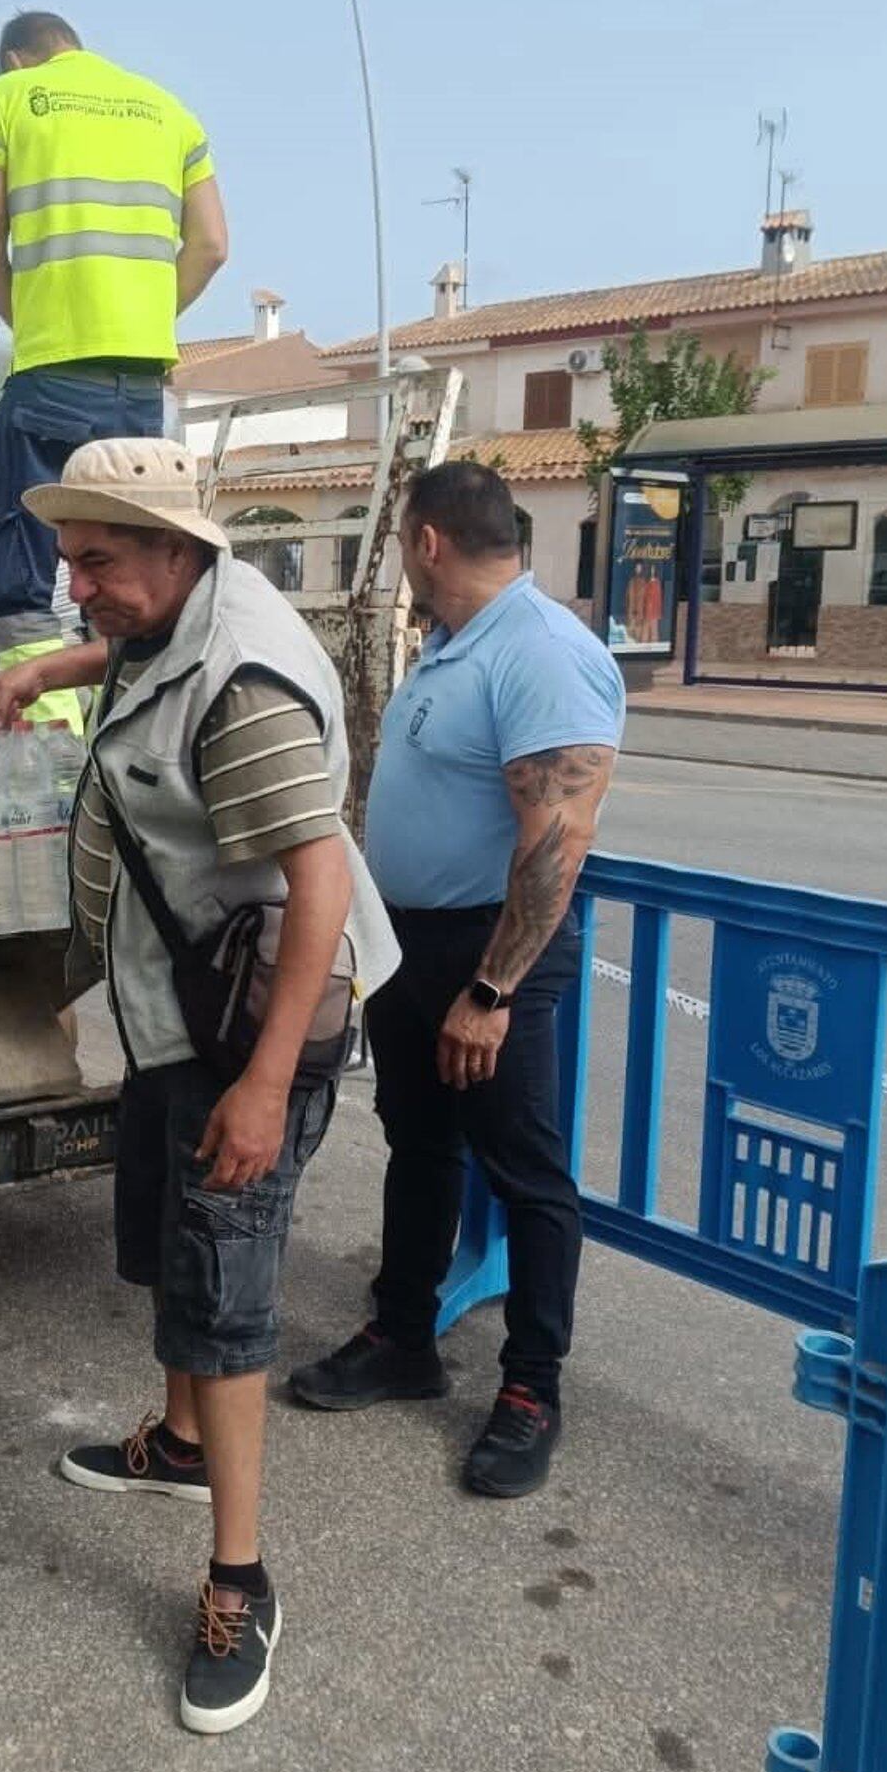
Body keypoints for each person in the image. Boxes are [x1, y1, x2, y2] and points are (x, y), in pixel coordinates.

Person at [0, 438, 397, 1734]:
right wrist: (46, 668)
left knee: (224, 1294)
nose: (77, 586)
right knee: (172, 1245)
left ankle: (239, 1577)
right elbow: (125, 648)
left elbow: (320, 880)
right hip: (178, 1012)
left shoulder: (244, 686)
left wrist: (263, 1089)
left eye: (97, 562)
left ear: (177, 549)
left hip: (250, 1028)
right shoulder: (167, 614)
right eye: (68, 561)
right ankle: (175, 1445)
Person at [289, 461, 624, 1498]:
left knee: (526, 1171)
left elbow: (557, 840)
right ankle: (403, 1336)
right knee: (421, 1143)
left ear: (427, 542)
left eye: (400, 543)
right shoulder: (452, 644)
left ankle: (531, 1390)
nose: (402, 560)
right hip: (415, 943)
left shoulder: (542, 653)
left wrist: (491, 992)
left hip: (489, 952)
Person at [0, 13, 228, 724]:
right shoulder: (169, 110)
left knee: (21, 576)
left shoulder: (9, 98)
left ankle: (55, 751)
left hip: (51, 374)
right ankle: (130, 732)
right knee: (121, 570)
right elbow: (212, 245)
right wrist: (147, 319)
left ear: (15, 59)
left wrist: (36, 323)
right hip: (141, 388)